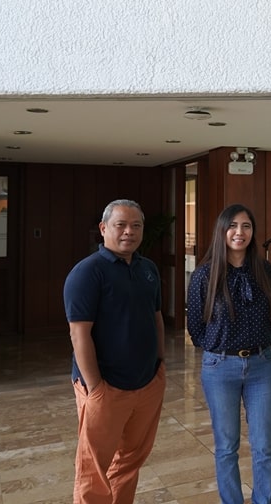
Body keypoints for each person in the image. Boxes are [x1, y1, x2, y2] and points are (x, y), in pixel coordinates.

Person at [64, 199, 166, 504]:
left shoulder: (148, 268)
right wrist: (95, 388)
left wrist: (159, 367)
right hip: (105, 388)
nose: (128, 232)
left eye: (136, 226)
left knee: (130, 461)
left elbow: (156, 317)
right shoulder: (87, 272)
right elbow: (78, 333)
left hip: (147, 383)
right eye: (121, 225)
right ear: (103, 228)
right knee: (94, 470)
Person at [186, 204, 271, 504]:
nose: (240, 232)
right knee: (227, 446)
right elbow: (195, 326)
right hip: (220, 367)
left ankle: (264, 500)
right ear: (222, 231)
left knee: (263, 445)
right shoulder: (204, 274)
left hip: (261, 365)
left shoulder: (264, 269)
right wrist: (217, 347)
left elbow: (269, 314)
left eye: (246, 226)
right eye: (233, 226)